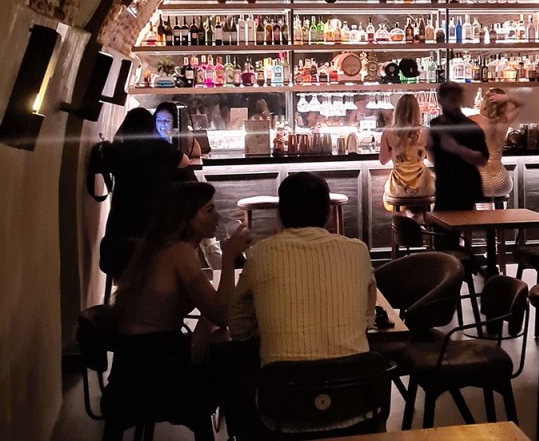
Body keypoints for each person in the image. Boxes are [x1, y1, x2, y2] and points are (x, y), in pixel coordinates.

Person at [110, 182, 250, 432]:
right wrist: (229, 258)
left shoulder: (159, 246)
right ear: (186, 218)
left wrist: (204, 323)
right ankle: (245, 432)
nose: (218, 217)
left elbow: (210, 308)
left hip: (128, 365)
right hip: (154, 371)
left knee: (223, 352)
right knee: (237, 357)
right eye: (209, 210)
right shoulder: (180, 252)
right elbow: (222, 315)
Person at [228, 172, 376, 364]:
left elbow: (238, 328)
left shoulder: (260, 254)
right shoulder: (358, 251)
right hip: (354, 379)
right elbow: (368, 319)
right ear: (328, 213)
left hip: (284, 380)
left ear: (280, 213)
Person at [99, 107, 194, 288]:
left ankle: (124, 296)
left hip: (120, 226)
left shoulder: (116, 151)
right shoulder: (159, 147)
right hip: (151, 226)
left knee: (125, 272)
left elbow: (104, 155)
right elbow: (185, 161)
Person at [427, 81, 489, 212]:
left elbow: (482, 159)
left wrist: (457, 149)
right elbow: (433, 156)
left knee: (459, 221)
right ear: (441, 100)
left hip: (464, 186)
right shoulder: (435, 124)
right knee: (442, 222)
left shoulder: (470, 127)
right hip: (443, 185)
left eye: (456, 100)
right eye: (452, 100)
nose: (454, 104)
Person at [379, 92, 435, 212]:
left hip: (398, 186)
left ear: (397, 110)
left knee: (391, 196)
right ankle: (419, 220)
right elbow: (431, 159)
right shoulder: (425, 131)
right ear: (417, 111)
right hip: (423, 186)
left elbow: (383, 161)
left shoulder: (388, 131)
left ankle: (401, 220)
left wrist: (395, 151)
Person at [471, 87, 523, 200]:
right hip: (502, 182)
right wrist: (506, 97)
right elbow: (521, 104)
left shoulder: (471, 120)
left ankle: (470, 212)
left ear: (484, 104)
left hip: (478, 182)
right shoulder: (504, 121)